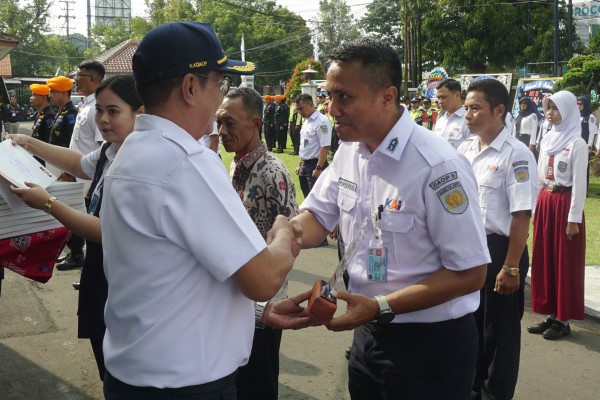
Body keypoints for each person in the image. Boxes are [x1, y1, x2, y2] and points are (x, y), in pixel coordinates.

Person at [100, 21, 306, 399]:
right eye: (220, 84)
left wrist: (256, 314)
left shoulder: (132, 152)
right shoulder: (187, 162)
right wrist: (281, 234)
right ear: (191, 87)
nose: (221, 97)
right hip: (187, 387)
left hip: (136, 375)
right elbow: (261, 279)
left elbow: (175, 276)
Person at [290, 37, 490, 399]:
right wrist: (282, 238)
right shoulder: (349, 152)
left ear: (387, 95)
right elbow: (316, 216)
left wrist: (382, 306)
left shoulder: (437, 166)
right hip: (368, 333)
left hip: (429, 346)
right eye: (328, 96)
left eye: (344, 97)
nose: (332, 109)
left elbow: (471, 272)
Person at [8, 75, 143, 381]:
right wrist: (28, 143)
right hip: (102, 268)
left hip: (121, 274)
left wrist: (48, 204)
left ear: (141, 112)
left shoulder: (137, 161)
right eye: (99, 111)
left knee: (119, 368)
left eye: (113, 111)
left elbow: (107, 232)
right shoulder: (112, 149)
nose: (103, 119)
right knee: (104, 357)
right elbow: (81, 163)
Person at [217, 86, 299, 400]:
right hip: (234, 299)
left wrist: (264, 302)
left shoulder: (272, 173)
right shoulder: (236, 164)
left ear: (255, 123)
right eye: (219, 123)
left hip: (264, 306)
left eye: (230, 124)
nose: (222, 131)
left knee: (258, 387)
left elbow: (288, 242)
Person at [458, 79, 538, 400]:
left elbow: (521, 216)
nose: (468, 115)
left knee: (500, 332)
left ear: (499, 111)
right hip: (470, 249)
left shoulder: (515, 155)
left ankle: (496, 394)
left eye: (476, 108)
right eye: (466, 108)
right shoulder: (464, 150)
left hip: (502, 250)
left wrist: (512, 267)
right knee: (472, 323)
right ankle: (474, 388)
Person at [528, 91, 587, 340]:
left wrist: (573, 218)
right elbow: (540, 178)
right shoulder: (549, 137)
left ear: (568, 111)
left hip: (564, 204)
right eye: (547, 108)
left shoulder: (577, 143)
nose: (550, 113)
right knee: (545, 258)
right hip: (546, 201)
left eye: (555, 108)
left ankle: (563, 320)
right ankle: (550, 314)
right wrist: (534, 208)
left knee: (564, 262)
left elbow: (580, 185)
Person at [294, 93, 332, 199]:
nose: (299, 112)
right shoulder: (307, 122)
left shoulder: (322, 121)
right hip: (304, 167)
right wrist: (300, 164)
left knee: (316, 200)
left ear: (310, 105)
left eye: (301, 108)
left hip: (315, 166)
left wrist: (319, 168)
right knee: (307, 199)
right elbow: (305, 146)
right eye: (297, 109)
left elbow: (325, 147)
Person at [434, 78, 470, 148]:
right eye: (438, 98)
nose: (440, 102)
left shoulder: (468, 120)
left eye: (443, 97)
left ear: (457, 95)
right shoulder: (440, 120)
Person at [29, 84, 56, 166]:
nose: (31, 97)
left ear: (44, 97)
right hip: (37, 154)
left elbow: (48, 140)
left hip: (45, 157)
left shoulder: (49, 115)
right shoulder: (40, 113)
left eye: (34, 95)